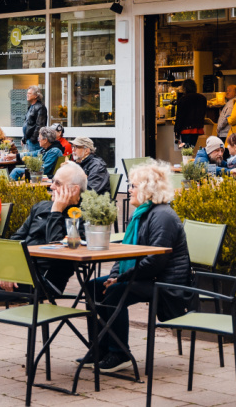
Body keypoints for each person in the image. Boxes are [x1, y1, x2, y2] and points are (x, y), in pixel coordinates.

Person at [84, 160, 190, 373]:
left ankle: (119, 353)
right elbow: (125, 253)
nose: (129, 190)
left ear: (147, 190)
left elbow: (155, 261)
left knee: (114, 291)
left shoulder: (163, 216)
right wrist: (115, 274)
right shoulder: (141, 214)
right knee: (93, 287)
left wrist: (120, 279)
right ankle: (100, 348)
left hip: (165, 284)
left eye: (133, 186)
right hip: (146, 277)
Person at [5, 162, 88, 296]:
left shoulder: (81, 218)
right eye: (53, 181)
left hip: (46, 282)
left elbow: (58, 252)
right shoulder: (41, 207)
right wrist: (9, 269)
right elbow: (15, 240)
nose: (51, 186)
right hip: (20, 272)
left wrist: (56, 212)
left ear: (74, 190)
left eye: (58, 183)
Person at [174, 78, 208, 147]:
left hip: (186, 130)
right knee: (195, 149)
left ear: (185, 88)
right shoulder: (202, 98)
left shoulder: (183, 99)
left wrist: (176, 131)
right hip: (198, 129)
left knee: (187, 151)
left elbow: (180, 117)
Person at [23, 85, 48, 151]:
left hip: (34, 142)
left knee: (33, 157)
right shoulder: (31, 107)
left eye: (29, 93)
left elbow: (40, 125)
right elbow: (27, 124)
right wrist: (24, 138)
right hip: (29, 140)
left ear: (36, 96)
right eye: (27, 93)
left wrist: (33, 139)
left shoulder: (40, 107)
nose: (27, 95)